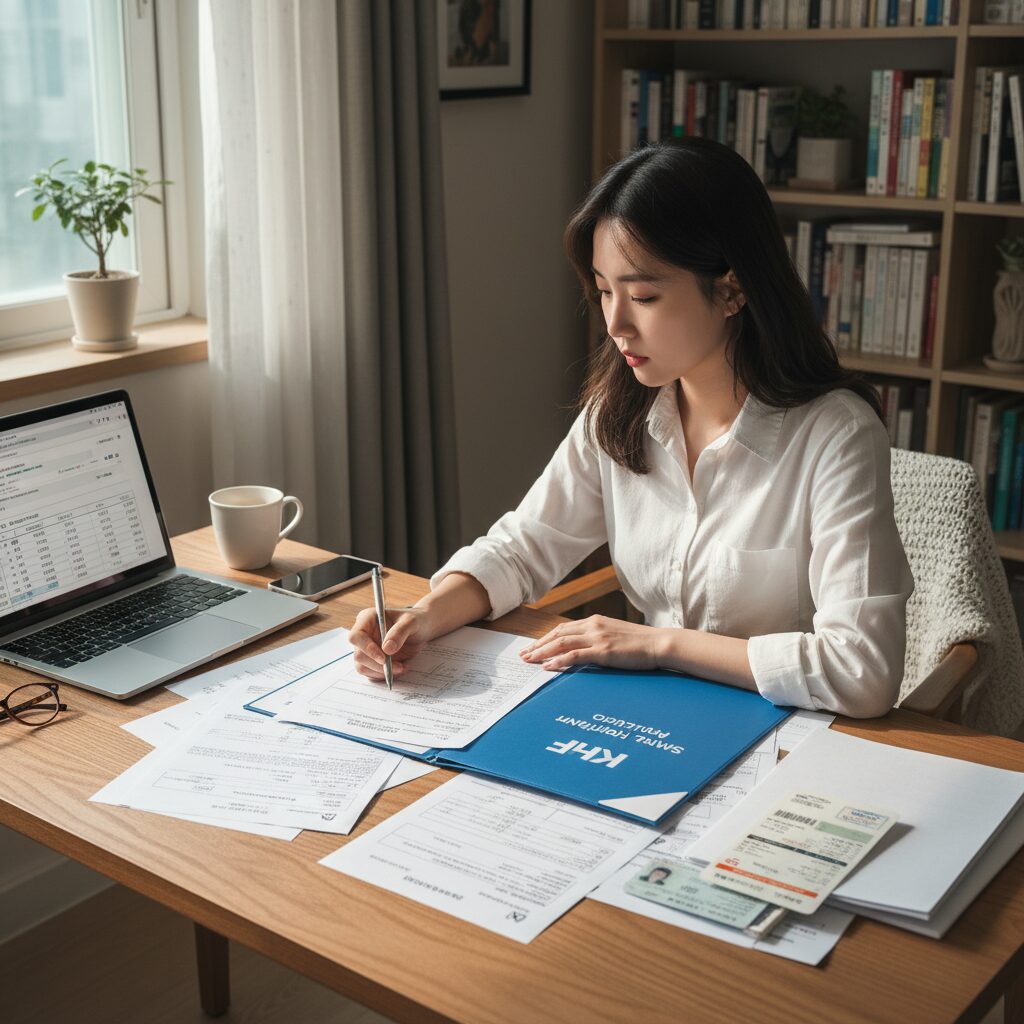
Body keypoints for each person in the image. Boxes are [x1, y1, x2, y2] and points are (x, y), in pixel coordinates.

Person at [349, 138, 914, 718]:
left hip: (785, 729)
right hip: (649, 715)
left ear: (732, 288)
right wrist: (422, 617)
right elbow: (522, 549)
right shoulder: (620, 413)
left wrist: (658, 644)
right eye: (602, 291)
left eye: (643, 295)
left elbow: (862, 670)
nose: (616, 324)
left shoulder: (835, 436)